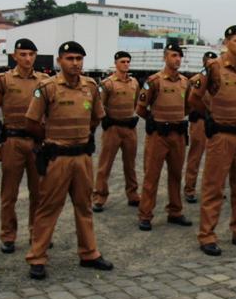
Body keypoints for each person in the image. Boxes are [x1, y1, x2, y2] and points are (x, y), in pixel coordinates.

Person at [24, 41, 113, 279]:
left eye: (79, 59)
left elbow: (96, 118)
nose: (75, 63)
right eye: (70, 58)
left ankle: (89, 253)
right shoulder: (47, 87)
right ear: (59, 61)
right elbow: (32, 122)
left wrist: (82, 136)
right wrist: (51, 139)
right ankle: (38, 257)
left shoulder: (91, 87)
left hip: (82, 157)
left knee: (84, 207)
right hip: (58, 157)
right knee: (49, 207)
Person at [189, 25, 236, 256]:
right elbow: (194, 97)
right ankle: (207, 236)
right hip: (221, 136)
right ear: (226, 42)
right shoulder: (214, 67)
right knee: (214, 188)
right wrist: (210, 116)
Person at [0, 38, 49, 254]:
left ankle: (36, 233)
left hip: (36, 143)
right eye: (22, 54)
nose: (27, 58)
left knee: (39, 192)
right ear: (15, 56)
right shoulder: (3, 80)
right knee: (9, 193)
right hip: (12, 142)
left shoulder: (44, 81)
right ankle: (8, 235)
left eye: (31, 54)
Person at [136, 43, 192, 231]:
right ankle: (145, 215)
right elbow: (141, 108)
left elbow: (188, 106)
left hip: (178, 134)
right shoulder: (154, 81)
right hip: (159, 135)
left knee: (176, 175)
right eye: (173, 55)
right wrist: (154, 121)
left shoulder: (185, 82)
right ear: (165, 57)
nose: (177, 59)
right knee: (152, 176)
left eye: (179, 56)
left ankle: (175, 211)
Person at [92, 51, 140, 212]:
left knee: (130, 165)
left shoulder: (134, 83)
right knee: (105, 165)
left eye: (128, 61)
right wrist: (106, 120)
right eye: (122, 61)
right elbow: (99, 105)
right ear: (116, 63)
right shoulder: (107, 84)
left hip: (129, 128)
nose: (126, 64)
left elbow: (136, 103)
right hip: (112, 129)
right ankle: (99, 196)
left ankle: (133, 195)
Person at [183, 51, 218, 203]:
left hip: (217, 123)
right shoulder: (195, 80)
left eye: (214, 61)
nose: (211, 64)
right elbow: (189, 102)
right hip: (200, 122)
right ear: (204, 63)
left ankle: (215, 190)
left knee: (217, 158)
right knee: (195, 156)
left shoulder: (220, 81)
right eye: (209, 61)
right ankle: (190, 189)